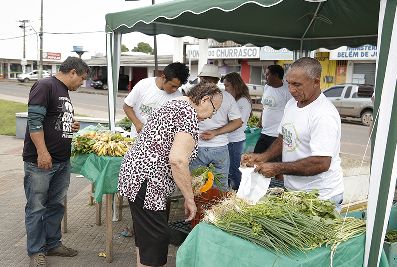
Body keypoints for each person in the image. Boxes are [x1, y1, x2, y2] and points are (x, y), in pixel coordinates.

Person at [118, 82, 223, 267]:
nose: (211, 117)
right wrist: (189, 198)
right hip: (148, 181)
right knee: (156, 239)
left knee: (146, 236)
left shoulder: (176, 103)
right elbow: (178, 160)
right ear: (205, 99)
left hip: (136, 175)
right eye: (214, 111)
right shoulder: (188, 114)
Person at [241, 57, 344, 211]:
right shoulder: (291, 104)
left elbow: (321, 162)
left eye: (297, 85)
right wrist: (264, 157)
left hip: (320, 197)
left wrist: (277, 168)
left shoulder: (324, 114)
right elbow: (284, 137)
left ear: (316, 82)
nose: (291, 90)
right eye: (289, 83)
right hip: (295, 193)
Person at [22, 57, 89, 267]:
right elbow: (34, 121)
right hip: (41, 162)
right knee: (36, 207)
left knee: (56, 205)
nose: (82, 83)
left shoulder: (63, 90)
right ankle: (36, 251)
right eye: (82, 78)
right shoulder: (44, 86)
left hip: (61, 160)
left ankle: (53, 244)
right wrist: (42, 152)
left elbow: (53, 119)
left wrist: (71, 124)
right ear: (72, 72)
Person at [190, 64, 243, 190]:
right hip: (218, 147)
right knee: (219, 185)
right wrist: (216, 132)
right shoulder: (227, 97)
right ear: (218, 80)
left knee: (196, 184)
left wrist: (215, 132)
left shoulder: (193, 96)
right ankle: (214, 209)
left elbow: (238, 122)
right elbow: (237, 122)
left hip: (198, 147)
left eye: (206, 79)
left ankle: (197, 208)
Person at [123, 62, 189, 138]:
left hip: (160, 143)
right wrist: (137, 123)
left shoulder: (178, 97)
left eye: (177, 87)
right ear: (163, 77)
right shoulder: (144, 84)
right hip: (137, 138)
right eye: (173, 86)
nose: (175, 90)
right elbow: (127, 106)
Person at [254, 64, 292, 188]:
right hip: (265, 132)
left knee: (277, 167)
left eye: (268, 74)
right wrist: (260, 121)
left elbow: (291, 111)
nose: (265, 77)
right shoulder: (267, 87)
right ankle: (259, 188)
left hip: (277, 136)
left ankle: (279, 191)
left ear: (276, 75)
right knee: (257, 161)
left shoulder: (287, 90)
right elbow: (265, 107)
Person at [223, 72, 252, 190]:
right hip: (229, 139)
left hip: (235, 141)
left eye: (227, 86)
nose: (225, 89)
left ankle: (238, 193)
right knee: (229, 170)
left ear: (235, 85)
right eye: (224, 86)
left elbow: (238, 122)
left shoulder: (243, 101)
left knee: (235, 170)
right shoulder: (234, 99)